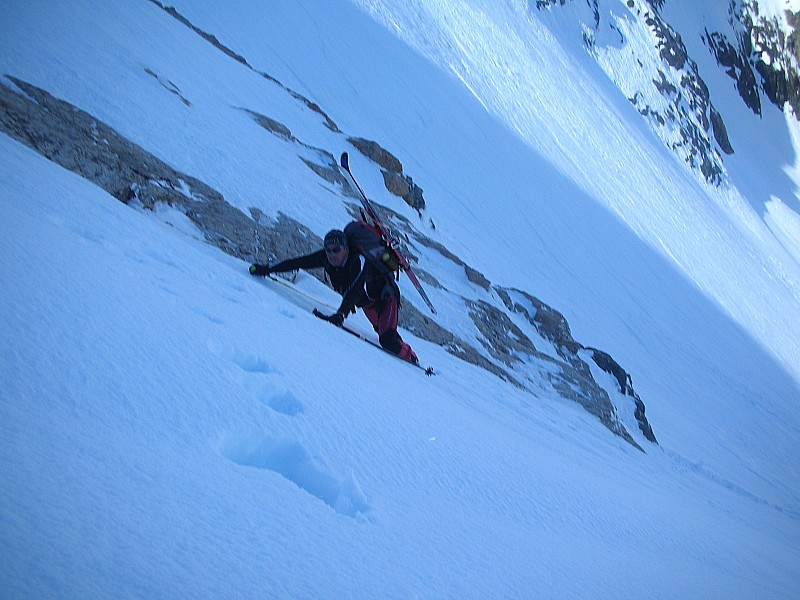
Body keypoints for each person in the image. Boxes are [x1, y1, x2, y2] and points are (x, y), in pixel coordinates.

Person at [249, 226, 419, 364]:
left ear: (346, 248)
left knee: (387, 340)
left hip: (385, 299)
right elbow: (299, 262)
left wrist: (340, 315)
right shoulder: (326, 257)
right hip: (368, 304)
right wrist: (267, 269)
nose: (331, 254)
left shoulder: (359, 260)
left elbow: (354, 290)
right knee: (385, 334)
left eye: (336, 250)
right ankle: (400, 348)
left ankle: (412, 359)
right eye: (328, 250)